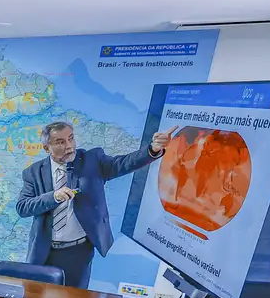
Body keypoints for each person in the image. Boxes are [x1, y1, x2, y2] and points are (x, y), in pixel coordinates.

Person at [17, 122, 175, 289]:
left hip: (79, 253)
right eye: (60, 142)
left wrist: (153, 149)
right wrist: (53, 197)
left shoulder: (92, 160)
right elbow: (23, 207)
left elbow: (124, 163)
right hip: (45, 251)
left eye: (71, 138)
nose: (69, 146)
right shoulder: (33, 172)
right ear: (46, 148)